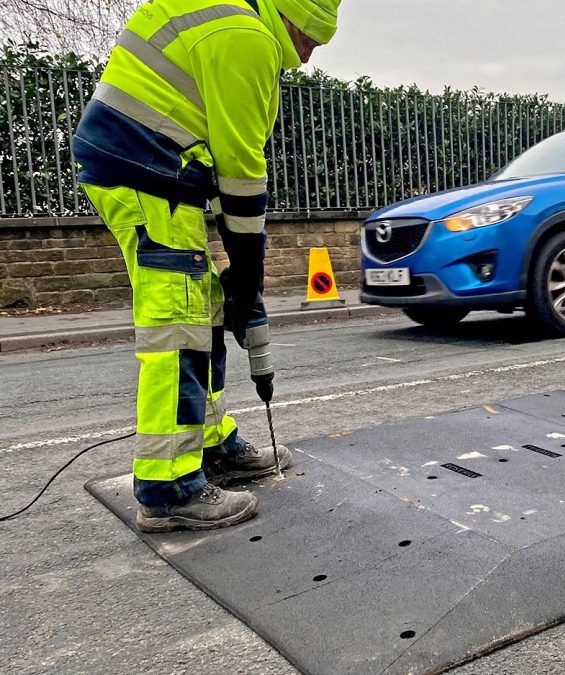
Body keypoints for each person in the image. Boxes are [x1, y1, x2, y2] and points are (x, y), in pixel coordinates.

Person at [72, 0, 340, 532]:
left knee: (207, 311)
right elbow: (242, 177)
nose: (307, 59)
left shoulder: (227, 15)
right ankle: (169, 487)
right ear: (290, 18)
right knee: (180, 323)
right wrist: (250, 280)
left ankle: (214, 445)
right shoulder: (248, 38)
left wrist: (239, 287)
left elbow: (222, 171)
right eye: (309, 40)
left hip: (155, 167)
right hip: (146, 170)